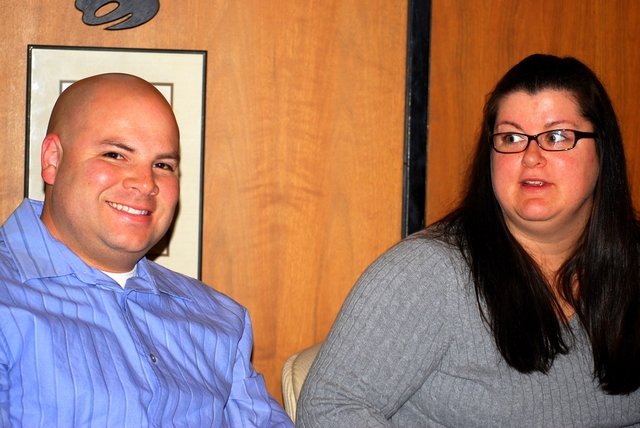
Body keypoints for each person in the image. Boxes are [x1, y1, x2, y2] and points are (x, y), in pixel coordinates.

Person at [297, 54, 640, 426]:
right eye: (510, 137)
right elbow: (329, 406)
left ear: (602, 152)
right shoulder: (428, 274)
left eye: (556, 136)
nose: (531, 156)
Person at [0, 73, 293, 427]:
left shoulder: (222, 320)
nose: (145, 183)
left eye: (162, 165)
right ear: (52, 159)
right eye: (115, 154)